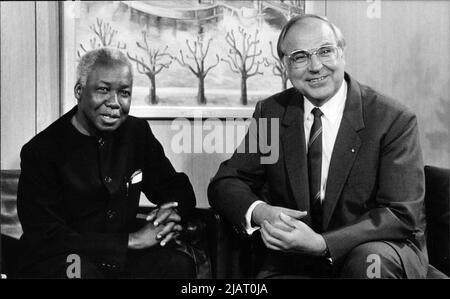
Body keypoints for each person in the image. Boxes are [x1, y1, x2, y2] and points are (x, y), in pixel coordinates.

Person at [208, 14, 428, 278]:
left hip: (375, 251)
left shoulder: (391, 119)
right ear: (284, 66)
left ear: (342, 54)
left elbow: (400, 213)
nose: (315, 66)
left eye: (325, 51)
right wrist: (262, 213)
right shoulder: (273, 113)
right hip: (296, 260)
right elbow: (228, 182)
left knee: (369, 263)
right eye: (300, 57)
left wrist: (323, 244)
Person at [16, 48, 196, 278]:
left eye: (124, 93)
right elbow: (47, 236)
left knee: (177, 265)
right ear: (79, 91)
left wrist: (171, 213)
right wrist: (131, 241)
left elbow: (176, 187)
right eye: (103, 90)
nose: (114, 103)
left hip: (119, 258)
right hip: (63, 258)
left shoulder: (137, 133)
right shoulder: (42, 150)